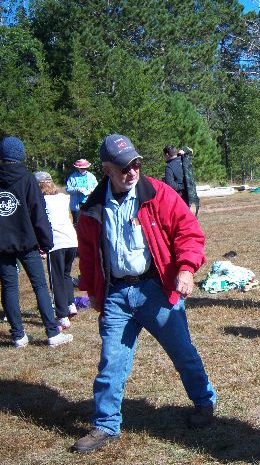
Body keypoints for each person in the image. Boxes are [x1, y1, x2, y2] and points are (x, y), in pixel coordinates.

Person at [72, 134, 217, 453]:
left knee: (183, 352)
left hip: (156, 289)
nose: (132, 171)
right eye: (124, 167)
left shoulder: (158, 193)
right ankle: (106, 424)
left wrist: (186, 269)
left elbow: (188, 232)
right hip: (116, 295)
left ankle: (204, 402)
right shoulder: (92, 208)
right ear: (107, 169)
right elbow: (89, 254)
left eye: (136, 164)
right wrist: (93, 290)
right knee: (111, 362)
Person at [0, 136, 73, 348]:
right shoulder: (27, 178)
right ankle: (52, 333)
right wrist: (46, 242)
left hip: (3, 244)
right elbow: (38, 213)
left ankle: (18, 336)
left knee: (9, 287)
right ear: (20, 155)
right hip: (27, 242)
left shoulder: (25, 178)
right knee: (40, 285)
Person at [35, 171, 79, 330]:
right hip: (71, 240)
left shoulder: (40, 201)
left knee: (56, 279)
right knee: (66, 274)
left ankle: (62, 316)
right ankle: (70, 304)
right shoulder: (63, 197)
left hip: (56, 242)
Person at [163, 145, 200, 216]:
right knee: (193, 219)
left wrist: (182, 186)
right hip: (192, 196)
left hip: (181, 199)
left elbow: (170, 184)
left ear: (167, 154)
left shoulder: (169, 166)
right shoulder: (186, 160)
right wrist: (184, 149)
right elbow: (190, 151)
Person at [66, 158, 97, 226]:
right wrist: (76, 189)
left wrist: (91, 190)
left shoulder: (91, 176)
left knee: (89, 224)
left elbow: (96, 187)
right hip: (76, 205)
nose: (83, 170)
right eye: (81, 168)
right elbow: (68, 189)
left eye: (85, 168)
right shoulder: (72, 177)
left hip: (89, 204)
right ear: (78, 168)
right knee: (77, 223)